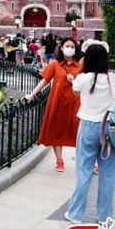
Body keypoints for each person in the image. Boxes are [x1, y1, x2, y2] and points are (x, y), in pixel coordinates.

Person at [65, 41, 115, 224]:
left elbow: (75, 92)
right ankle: (104, 217)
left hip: (89, 126)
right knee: (108, 174)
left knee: (84, 172)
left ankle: (75, 214)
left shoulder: (83, 78)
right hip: (110, 128)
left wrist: (75, 78)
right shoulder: (113, 78)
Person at [24, 38, 81, 172]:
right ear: (61, 48)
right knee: (57, 130)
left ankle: (86, 159)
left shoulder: (80, 67)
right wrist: (32, 95)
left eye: (72, 46)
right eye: (67, 46)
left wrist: (73, 81)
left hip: (75, 103)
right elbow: (44, 81)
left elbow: (84, 85)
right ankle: (59, 160)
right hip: (58, 102)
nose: (70, 48)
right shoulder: (55, 64)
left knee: (79, 132)